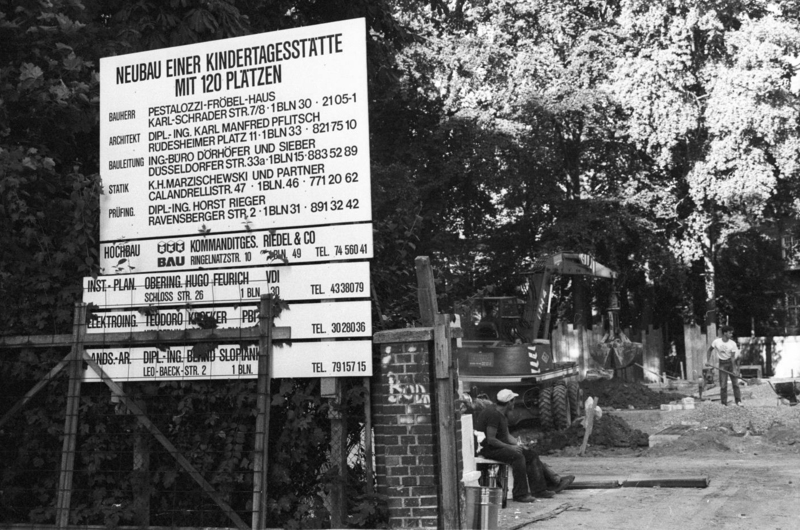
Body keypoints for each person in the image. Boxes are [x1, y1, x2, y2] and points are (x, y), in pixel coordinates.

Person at [474, 389, 574, 503]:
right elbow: (491, 440)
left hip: (498, 446)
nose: (514, 404)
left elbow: (507, 436)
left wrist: (519, 444)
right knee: (518, 457)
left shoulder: (501, 413)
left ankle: (539, 490)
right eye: (513, 401)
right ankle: (520, 494)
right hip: (488, 449)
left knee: (531, 454)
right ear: (509, 402)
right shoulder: (493, 415)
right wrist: (511, 447)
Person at [707, 325, 742, 406]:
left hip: (731, 363)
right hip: (722, 364)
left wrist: (734, 369)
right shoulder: (716, 342)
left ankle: (738, 401)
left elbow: (732, 358)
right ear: (725, 333)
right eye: (730, 333)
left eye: (732, 333)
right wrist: (708, 361)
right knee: (723, 385)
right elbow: (709, 350)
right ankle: (724, 403)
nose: (731, 334)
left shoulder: (732, 344)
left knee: (735, 384)